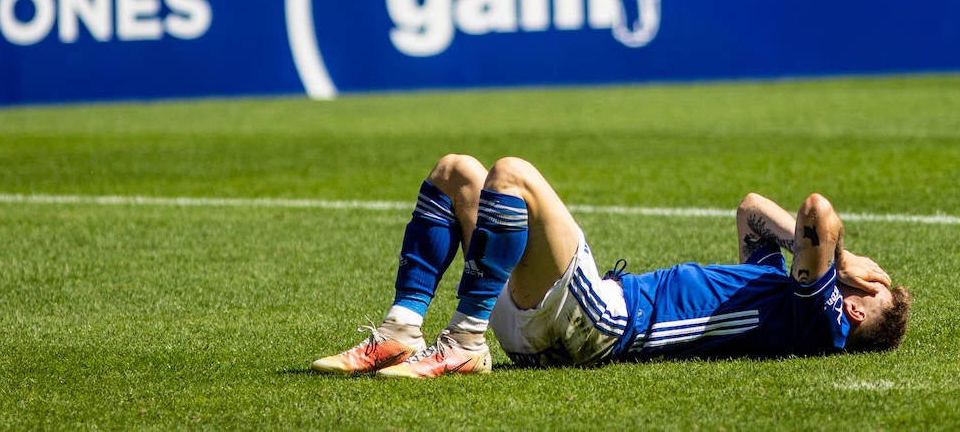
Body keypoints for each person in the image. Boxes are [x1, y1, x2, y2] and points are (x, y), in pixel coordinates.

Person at [312, 153, 910, 377]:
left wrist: (843, 257)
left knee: (512, 175)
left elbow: (816, 214)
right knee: (455, 174)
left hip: (604, 323)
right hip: (555, 326)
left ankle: (465, 342)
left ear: (854, 307)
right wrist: (821, 256)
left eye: (865, 289)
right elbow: (752, 211)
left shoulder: (821, 321)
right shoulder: (778, 292)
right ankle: (399, 332)